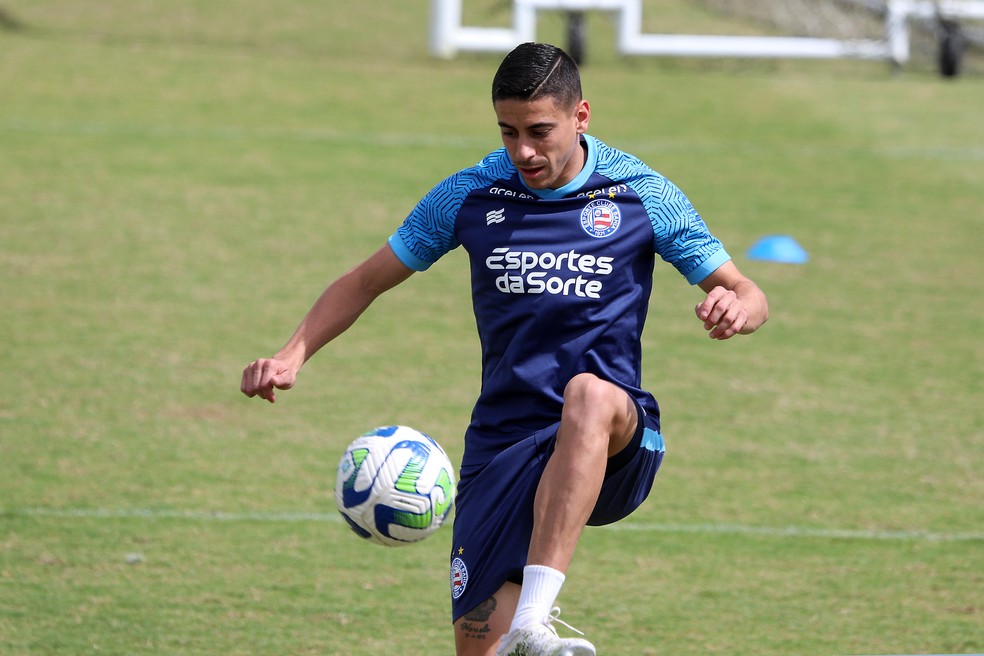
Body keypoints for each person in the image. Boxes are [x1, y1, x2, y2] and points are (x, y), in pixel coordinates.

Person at [241, 42, 768, 656]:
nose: (523, 151)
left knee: (588, 394)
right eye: (508, 131)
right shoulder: (469, 195)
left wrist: (737, 306)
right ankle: (519, 636)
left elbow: (747, 291)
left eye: (540, 131)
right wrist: (291, 355)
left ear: (582, 116)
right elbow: (364, 281)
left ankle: (534, 623)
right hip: (503, 444)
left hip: (615, 438)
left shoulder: (641, 194)